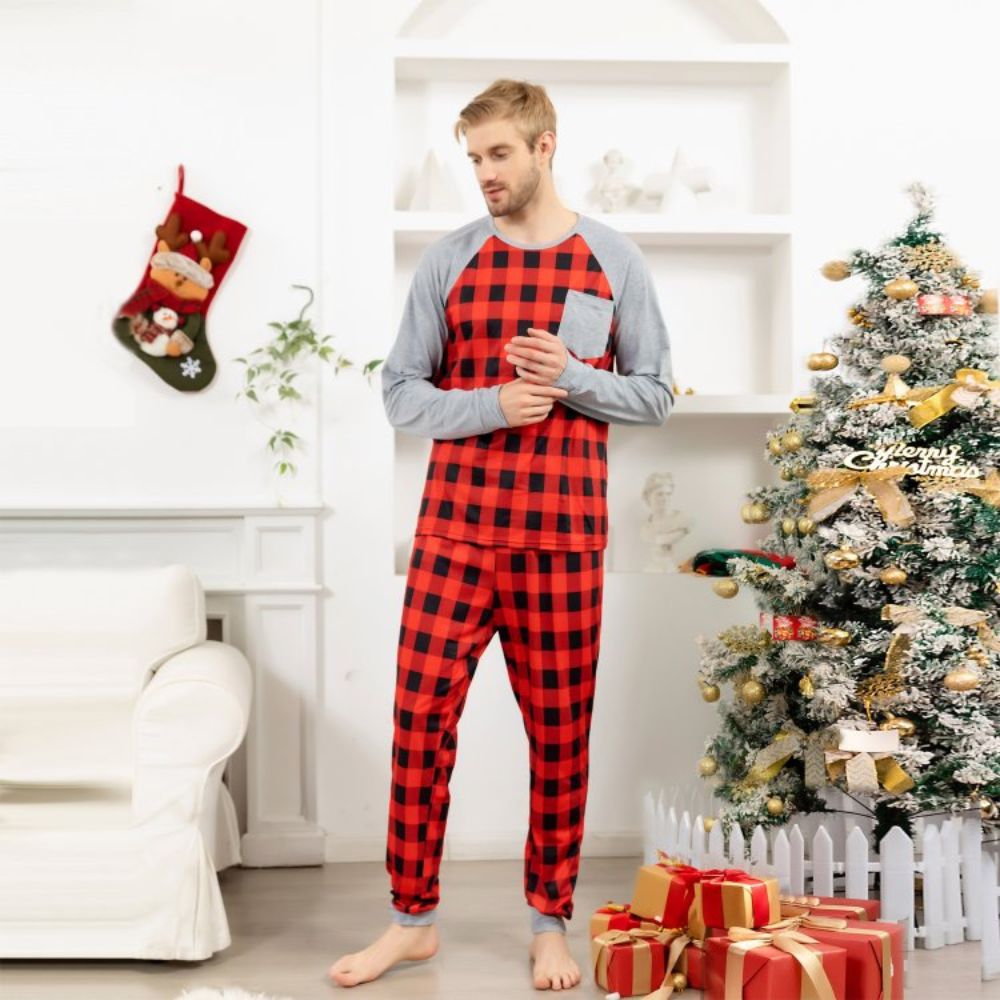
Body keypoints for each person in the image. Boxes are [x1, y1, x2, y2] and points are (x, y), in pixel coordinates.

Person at [328, 78, 673, 991]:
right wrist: (491, 405)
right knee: (418, 727)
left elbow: (656, 393)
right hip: (454, 537)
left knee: (559, 735)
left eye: (498, 154)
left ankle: (548, 924)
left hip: (562, 542)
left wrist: (571, 377)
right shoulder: (448, 261)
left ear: (545, 145)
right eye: (473, 156)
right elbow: (400, 391)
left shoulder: (614, 260)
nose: (483, 172)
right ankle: (412, 922)